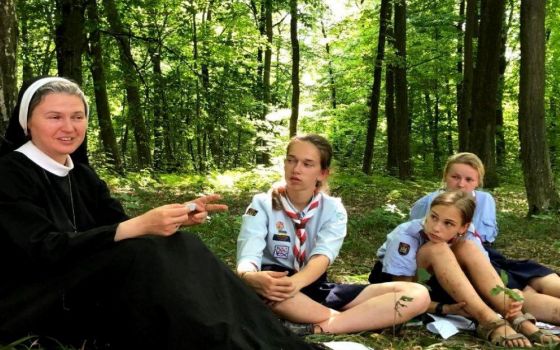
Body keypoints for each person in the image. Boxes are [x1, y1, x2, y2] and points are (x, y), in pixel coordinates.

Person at [0, 76, 324, 350]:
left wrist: (176, 215)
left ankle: (267, 336)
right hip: (38, 298)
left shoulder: (82, 175)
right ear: (28, 121)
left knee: (182, 245)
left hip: (88, 280)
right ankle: (230, 340)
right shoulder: (9, 172)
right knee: (147, 255)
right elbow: (42, 249)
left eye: (77, 116)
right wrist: (139, 227)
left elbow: (117, 227)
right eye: (54, 117)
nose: (69, 127)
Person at [236, 134, 430, 336]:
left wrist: (295, 284)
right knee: (268, 293)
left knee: (417, 294)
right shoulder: (262, 204)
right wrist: (250, 277)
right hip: (275, 284)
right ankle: (362, 320)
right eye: (291, 160)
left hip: (313, 285)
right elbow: (249, 252)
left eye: (307, 164)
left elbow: (322, 257)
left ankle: (321, 326)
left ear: (322, 173)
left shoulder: (333, 209)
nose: (296, 169)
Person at [405, 152, 560, 344]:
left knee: (535, 275)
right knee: (516, 291)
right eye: (455, 177)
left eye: (469, 179)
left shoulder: (485, 201)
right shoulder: (427, 205)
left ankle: (518, 302)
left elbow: (481, 243)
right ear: (445, 177)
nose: (461, 184)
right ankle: (508, 315)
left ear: (478, 181)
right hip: (448, 256)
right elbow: (420, 240)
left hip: (484, 254)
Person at [369, 190, 538, 347]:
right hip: (400, 286)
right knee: (437, 248)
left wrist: (509, 297)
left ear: (463, 227)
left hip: (438, 284)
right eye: (433, 217)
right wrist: (442, 308)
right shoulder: (405, 236)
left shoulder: (468, 234)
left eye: (448, 223)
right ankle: (490, 322)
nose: (436, 227)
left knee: (467, 247)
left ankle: (516, 318)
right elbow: (402, 294)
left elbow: (484, 274)